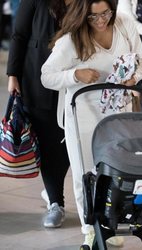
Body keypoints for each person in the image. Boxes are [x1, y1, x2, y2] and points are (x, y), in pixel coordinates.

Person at [41, 0, 142, 248]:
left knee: (116, 170)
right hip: (83, 113)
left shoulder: (124, 24)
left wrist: (133, 78)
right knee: (85, 172)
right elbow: (46, 75)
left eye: (105, 14)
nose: (100, 20)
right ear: (82, 15)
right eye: (93, 16)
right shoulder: (72, 40)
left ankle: (110, 223)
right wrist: (75, 75)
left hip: (118, 110)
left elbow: (140, 60)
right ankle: (89, 227)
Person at [6, 0, 70, 228]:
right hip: (36, 76)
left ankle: (53, 190)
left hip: (74, 77)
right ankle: (56, 202)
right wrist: (12, 74)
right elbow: (20, 35)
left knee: (68, 144)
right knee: (47, 140)